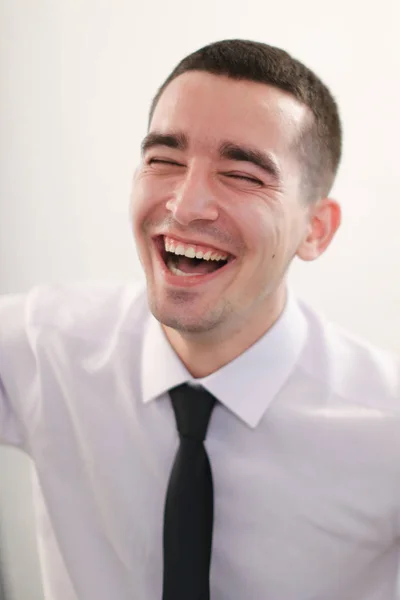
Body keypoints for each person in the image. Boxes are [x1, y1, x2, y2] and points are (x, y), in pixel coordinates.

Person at [0, 38, 399, 600]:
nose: (185, 206)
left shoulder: (388, 427)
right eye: (163, 160)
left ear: (316, 229)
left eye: (242, 175)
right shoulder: (46, 346)